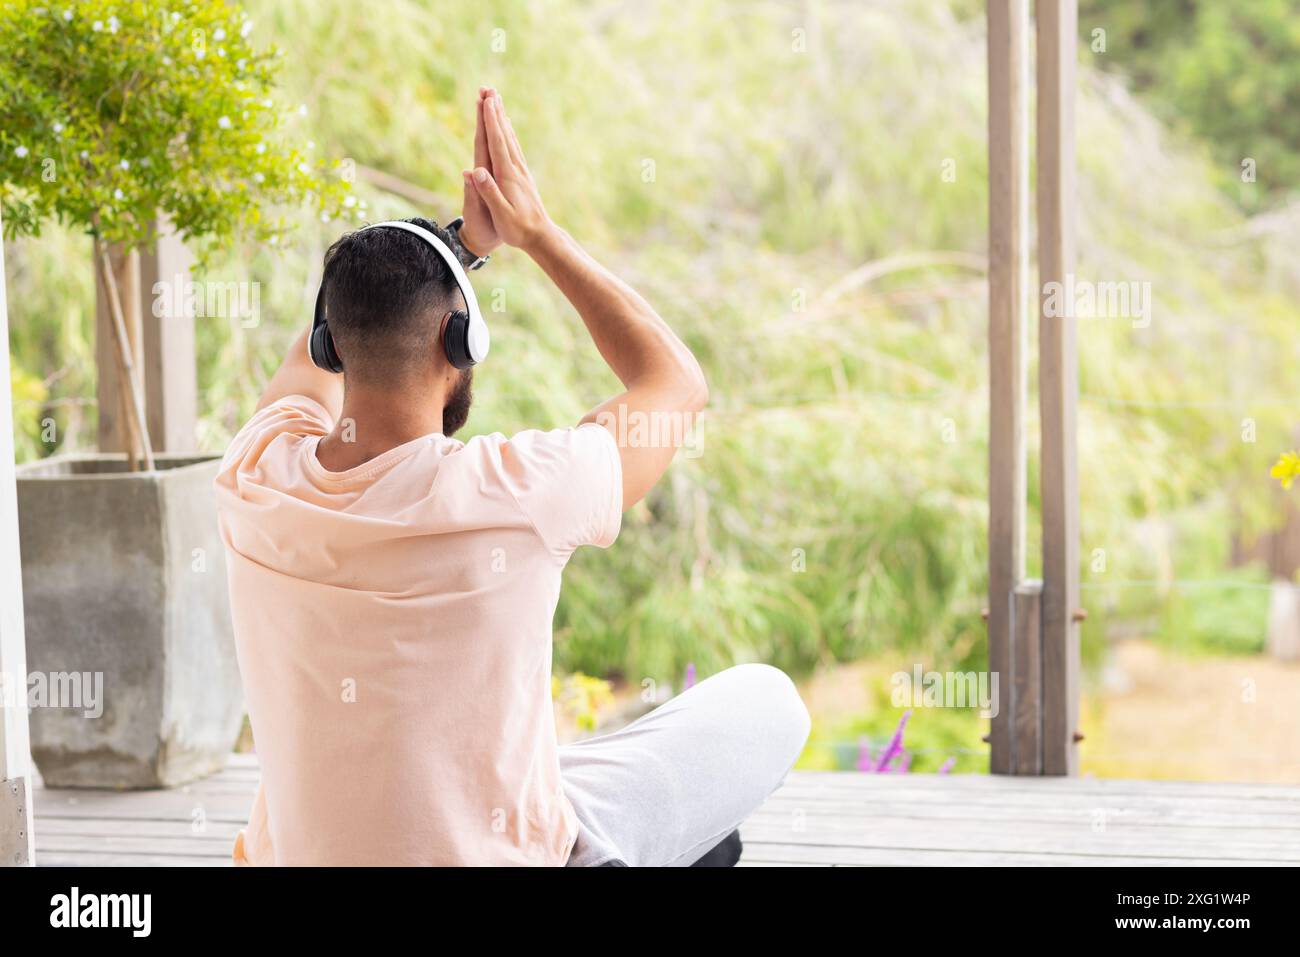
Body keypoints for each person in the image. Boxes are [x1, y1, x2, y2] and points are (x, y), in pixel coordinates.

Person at [214, 87, 810, 866]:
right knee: (767, 700)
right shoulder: (518, 494)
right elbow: (675, 383)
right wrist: (532, 233)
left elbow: (317, 350)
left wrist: (439, 253)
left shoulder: (255, 473)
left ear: (333, 345)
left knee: (556, 770)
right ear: (461, 342)